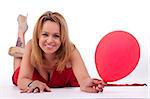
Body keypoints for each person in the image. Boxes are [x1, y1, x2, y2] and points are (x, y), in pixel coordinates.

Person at [8, 11, 105, 93]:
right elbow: (22, 80)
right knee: (18, 71)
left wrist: (86, 83)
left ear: (63, 38)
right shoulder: (31, 45)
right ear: (38, 36)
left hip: (49, 59)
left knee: (27, 55)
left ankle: (23, 53)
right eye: (45, 34)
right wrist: (30, 83)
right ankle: (21, 31)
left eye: (56, 36)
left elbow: (84, 79)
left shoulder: (70, 49)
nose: (50, 40)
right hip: (33, 71)